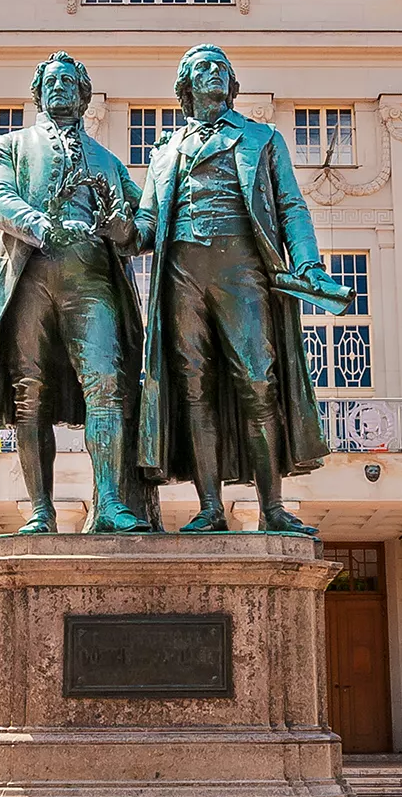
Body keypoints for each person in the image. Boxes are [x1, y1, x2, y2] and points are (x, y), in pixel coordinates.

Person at [133, 44, 334, 534]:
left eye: (221, 67)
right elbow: (145, 223)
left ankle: (271, 509)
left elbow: (291, 206)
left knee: (258, 381)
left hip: (242, 268)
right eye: (203, 67)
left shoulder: (262, 138)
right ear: (186, 86)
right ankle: (209, 508)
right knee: (193, 385)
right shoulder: (167, 150)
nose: (214, 72)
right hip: (182, 272)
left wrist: (306, 260)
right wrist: (115, 226)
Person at [0, 52, 152, 534]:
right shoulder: (9, 146)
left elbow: (145, 224)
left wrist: (124, 230)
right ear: (38, 93)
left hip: (92, 279)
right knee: (28, 394)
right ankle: (40, 509)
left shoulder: (109, 161)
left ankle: (113, 504)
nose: (60, 88)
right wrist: (39, 224)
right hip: (29, 277)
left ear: (83, 95)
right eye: (51, 82)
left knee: (107, 385)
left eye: (69, 82)